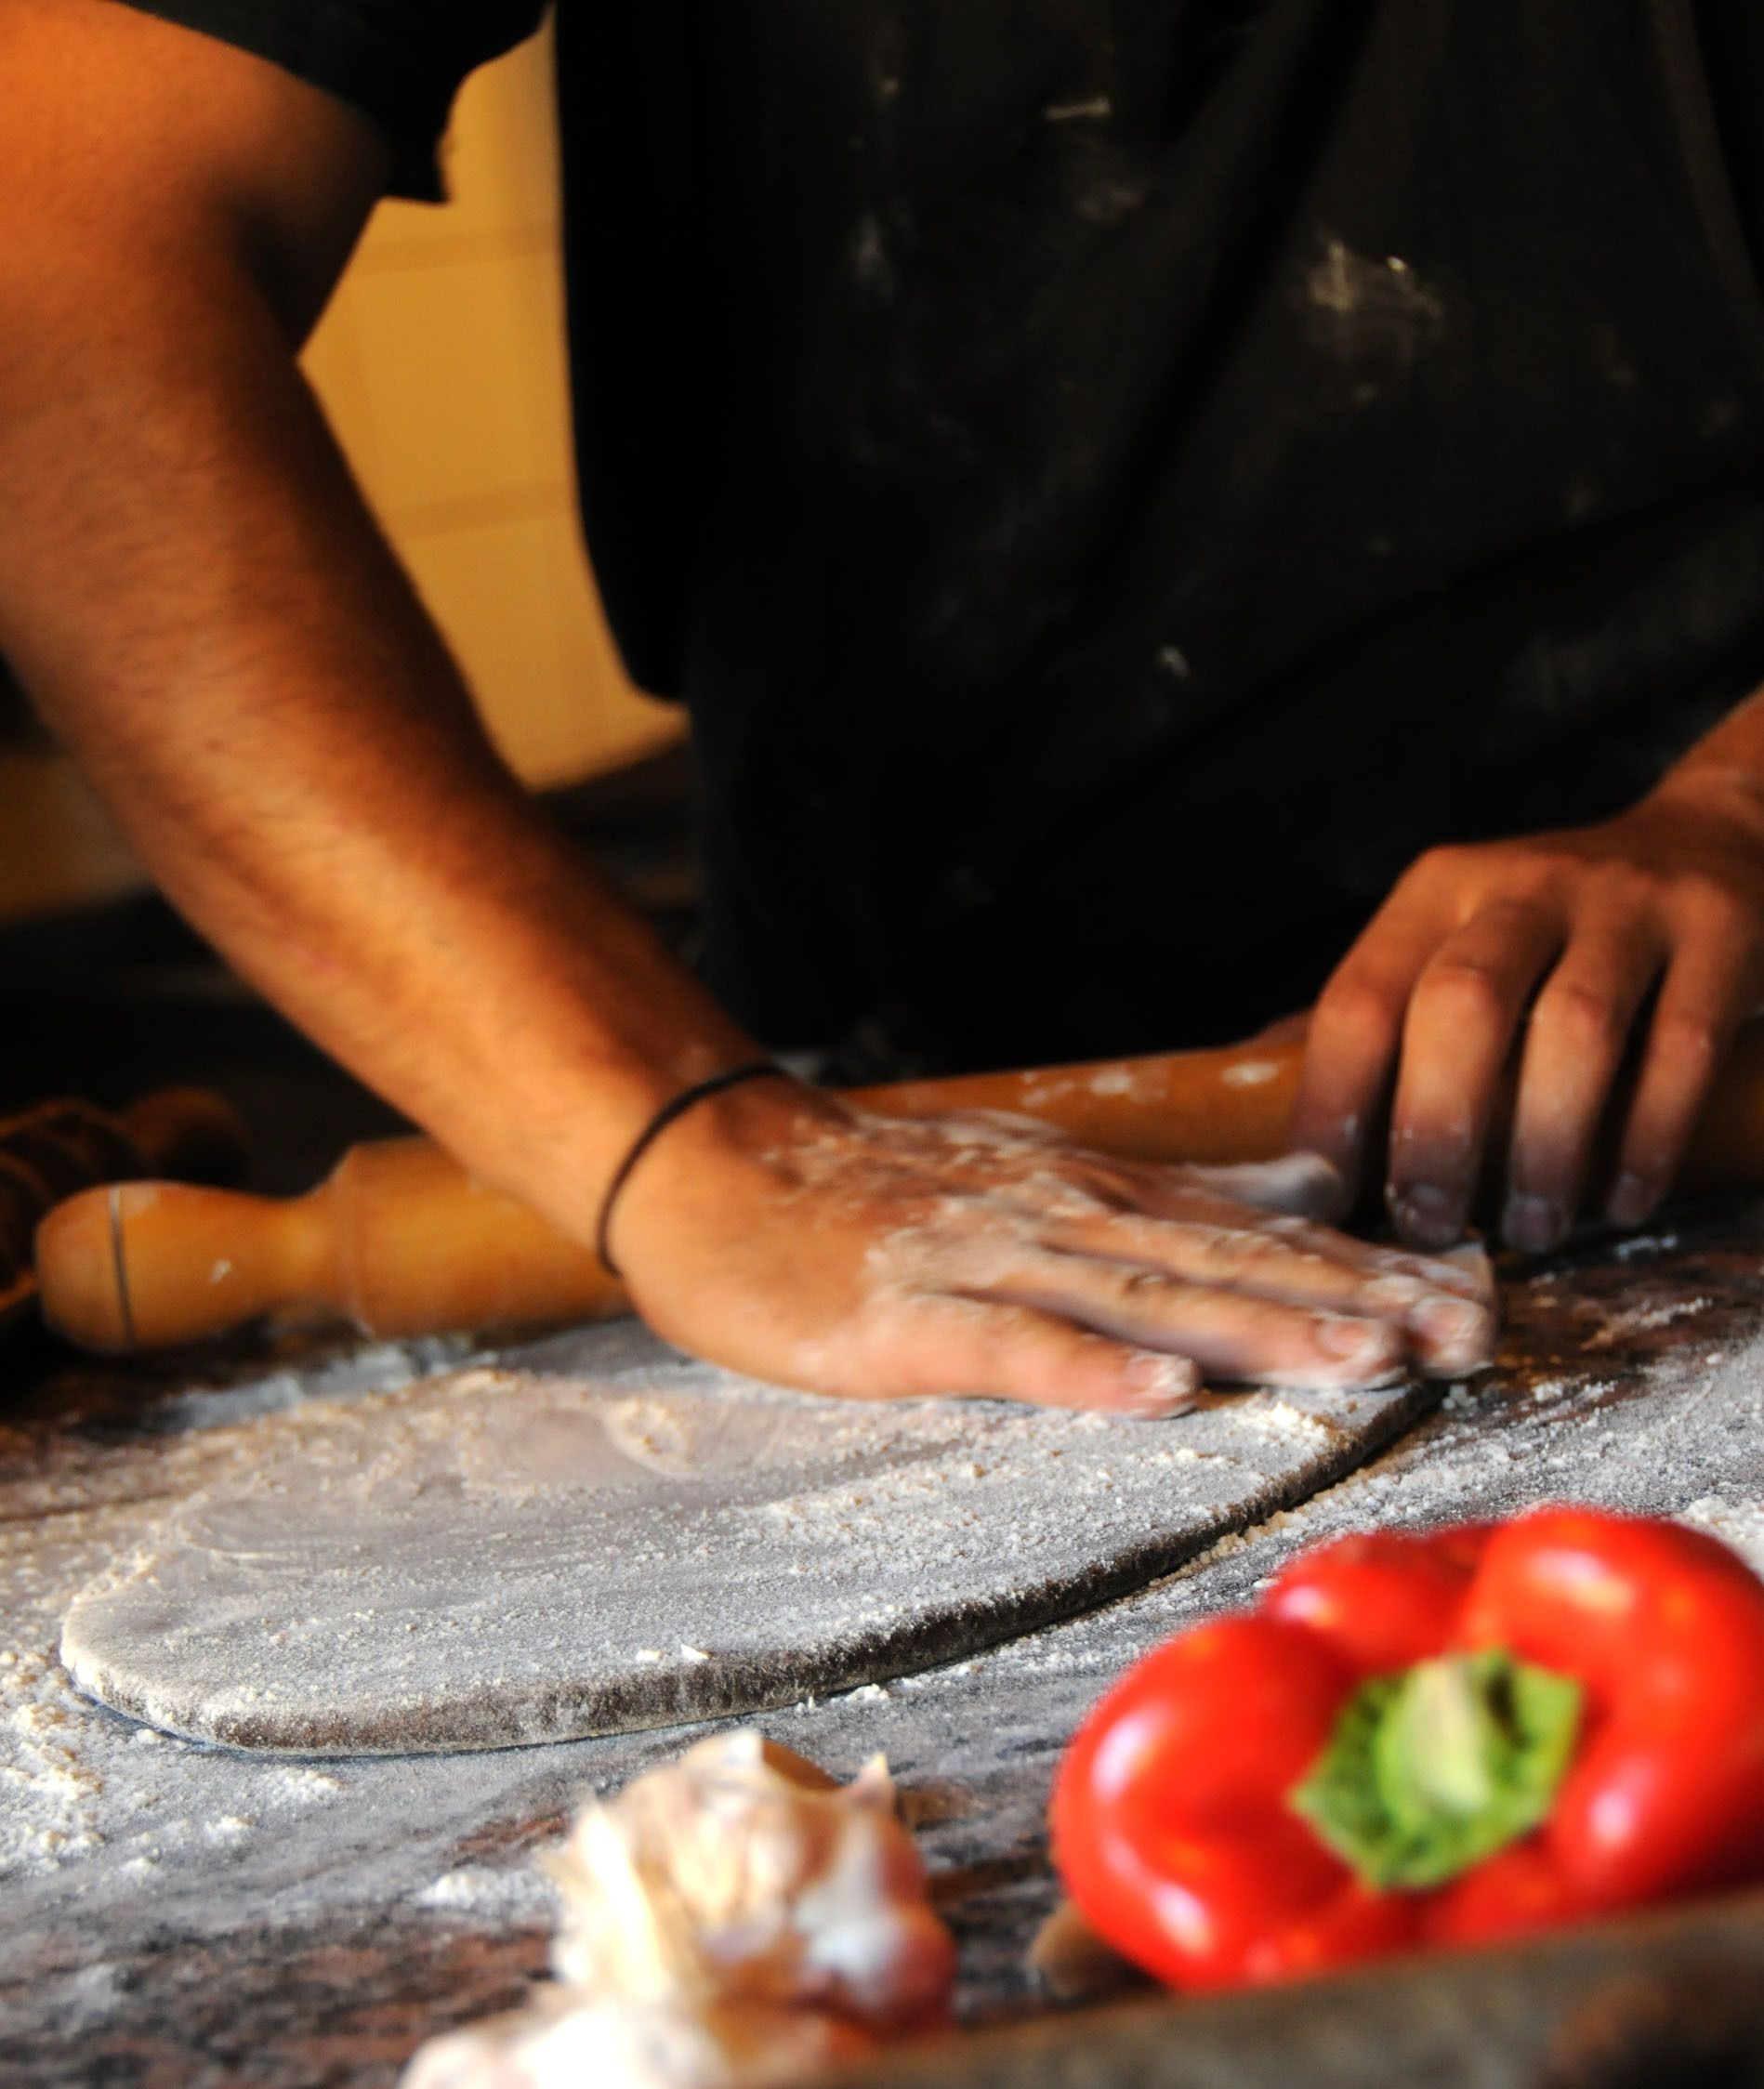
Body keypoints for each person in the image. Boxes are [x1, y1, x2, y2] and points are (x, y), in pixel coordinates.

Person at [8, 4, 1764, 1412]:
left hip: (1713, 1072)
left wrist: (1737, 808)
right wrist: (671, 1140)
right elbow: (54, 279)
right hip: (900, 1132)